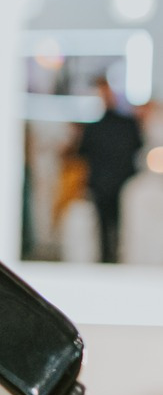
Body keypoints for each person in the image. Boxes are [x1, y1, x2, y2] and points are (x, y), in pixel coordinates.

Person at [76, 75, 143, 263]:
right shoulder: (127, 125)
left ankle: (108, 256)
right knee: (116, 222)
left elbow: (82, 152)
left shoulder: (99, 127)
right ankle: (114, 256)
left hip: (106, 181)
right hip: (117, 180)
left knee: (107, 223)